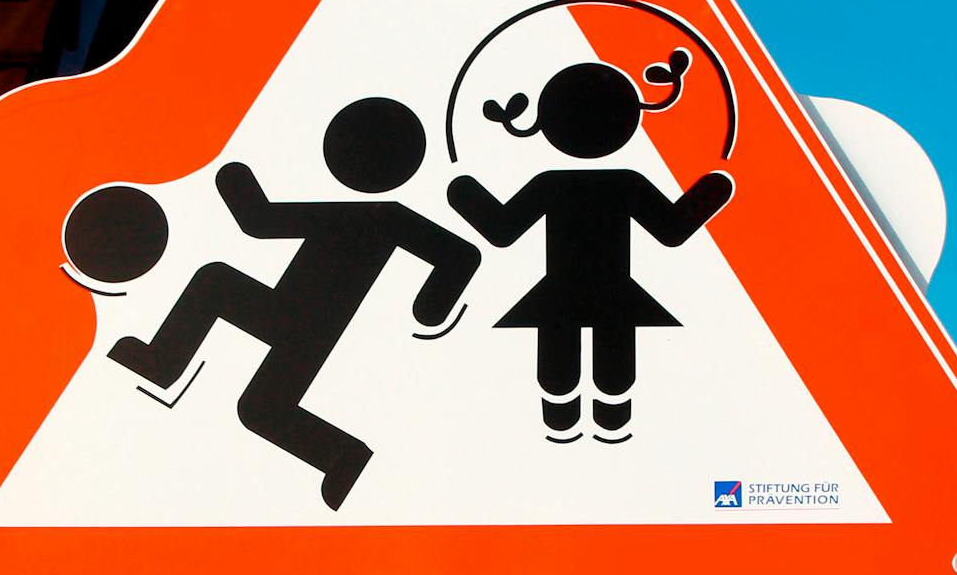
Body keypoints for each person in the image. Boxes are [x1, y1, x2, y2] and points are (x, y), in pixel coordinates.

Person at [65, 97, 479, 510]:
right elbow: (259, 221)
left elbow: (258, 220)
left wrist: (233, 178)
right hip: (294, 314)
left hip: (304, 322)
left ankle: (344, 456)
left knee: (255, 396)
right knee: (230, 324)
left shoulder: (378, 217)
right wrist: (431, 305)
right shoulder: (382, 217)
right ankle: (163, 362)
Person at [448, 50, 732, 442]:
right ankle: (595, 414)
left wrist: (463, 193)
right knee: (594, 358)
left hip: (568, 291)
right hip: (608, 291)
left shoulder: (555, 182)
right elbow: (672, 229)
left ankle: (577, 414)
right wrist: (713, 189)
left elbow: (501, 229)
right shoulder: (622, 182)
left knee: (573, 357)